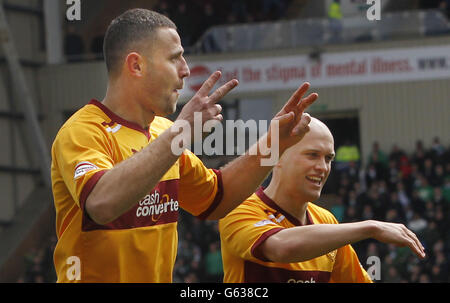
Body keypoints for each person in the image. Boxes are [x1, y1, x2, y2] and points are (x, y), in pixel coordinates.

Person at [50, 8, 318, 283]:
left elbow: (216, 198)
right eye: (175, 57)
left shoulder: (162, 132)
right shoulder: (82, 131)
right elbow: (101, 204)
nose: (186, 70)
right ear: (136, 66)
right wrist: (182, 132)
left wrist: (275, 144)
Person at [219, 117, 425, 283]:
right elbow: (281, 247)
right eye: (312, 155)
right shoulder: (238, 208)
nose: (323, 167)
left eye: (328, 158)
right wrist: (371, 228)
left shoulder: (326, 221)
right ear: (278, 157)